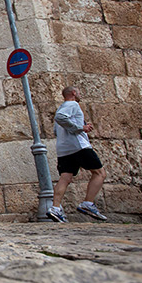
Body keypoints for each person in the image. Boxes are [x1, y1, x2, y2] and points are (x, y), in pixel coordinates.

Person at [47, 86, 107, 223]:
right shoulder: (72, 104)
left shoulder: (62, 107)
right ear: (74, 93)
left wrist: (82, 125)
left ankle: (55, 208)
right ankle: (88, 203)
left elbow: (57, 130)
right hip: (79, 147)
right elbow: (60, 118)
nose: (79, 94)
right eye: (78, 91)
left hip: (64, 148)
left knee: (65, 177)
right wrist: (81, 128)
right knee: (100, 173)